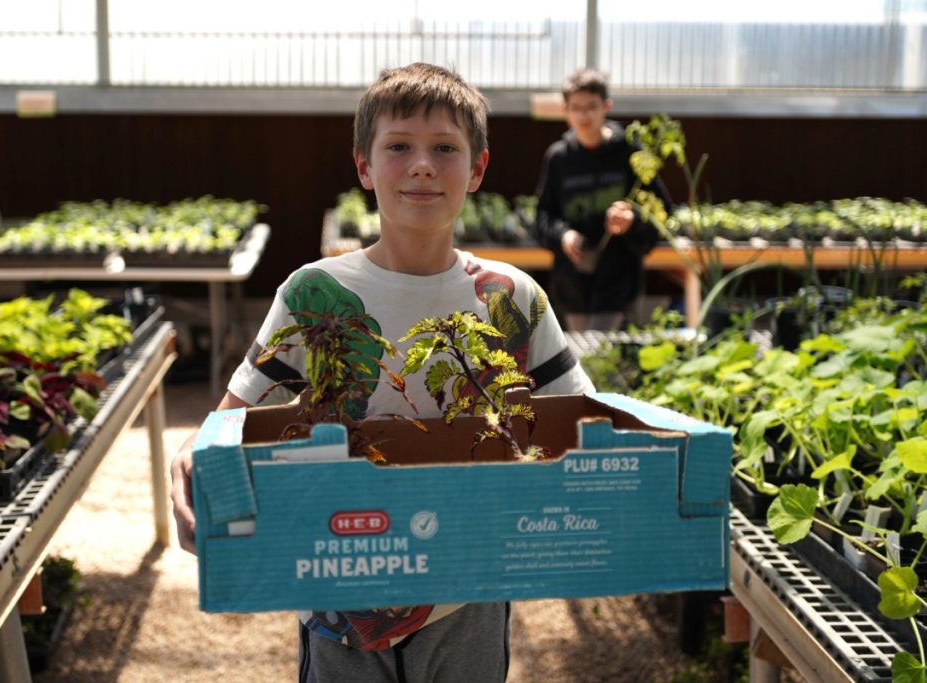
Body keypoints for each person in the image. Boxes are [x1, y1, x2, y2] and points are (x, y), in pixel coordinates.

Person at [170, 62, 594, 683]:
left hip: (467, 588)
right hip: (337, 585)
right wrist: (194, 447)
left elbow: (579, 418)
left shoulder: (513, 299)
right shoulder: (312, 293)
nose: (422, 165)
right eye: (398, 146)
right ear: (364, 166)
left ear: (477, 169)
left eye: (445, 148)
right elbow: (233, 415)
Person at [533, 67, 671, 332]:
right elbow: (542, 217)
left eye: (591, 107)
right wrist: (563, 235)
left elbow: (663, 210)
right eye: (576, 107)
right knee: (580, 355)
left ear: (606, 106)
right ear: (565, 110)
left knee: (602, 356)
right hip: (573, 281)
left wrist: (633, 220)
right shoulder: (559, 158)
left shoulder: (629, 151)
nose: (584, 115)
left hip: (618, 279)